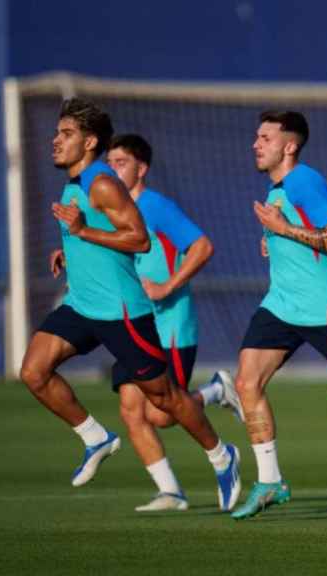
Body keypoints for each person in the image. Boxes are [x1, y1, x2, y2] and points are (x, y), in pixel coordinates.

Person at [20, 98, 240, 511]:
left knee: (165, 401)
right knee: (33, 371)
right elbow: (95, 233)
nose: (55, 141)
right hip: (84, 305)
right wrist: (69, 249)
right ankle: (95, 437)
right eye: (57, 132)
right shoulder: (75, 182)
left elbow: (140, 239)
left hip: (122, 311)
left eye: (66, 134)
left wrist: (83, 232)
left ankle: (221, 455)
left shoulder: (102, 183)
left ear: (89, 143)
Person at [230, 111, 327, 520]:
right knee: (246, 382)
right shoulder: (276, 191)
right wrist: (275, 240)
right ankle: (270, 481)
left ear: (289, 146)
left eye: (265, 137)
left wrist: (282, 231)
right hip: (282, 304)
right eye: (257, 136)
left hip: (322, 307)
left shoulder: (304, 179)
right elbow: (297, 233)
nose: (256, 143)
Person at [106, 133, 242, 511]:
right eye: (110, 162)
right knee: (131, 411)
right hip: (132, 326)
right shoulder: (110, 211)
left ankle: (215, 392)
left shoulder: (156, 207)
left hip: (170, 327)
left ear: (141, 168)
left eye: (121, 162)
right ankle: (170, 491)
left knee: (161, 415)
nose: (113, 169)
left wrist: (168, 285)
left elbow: (202, 247)